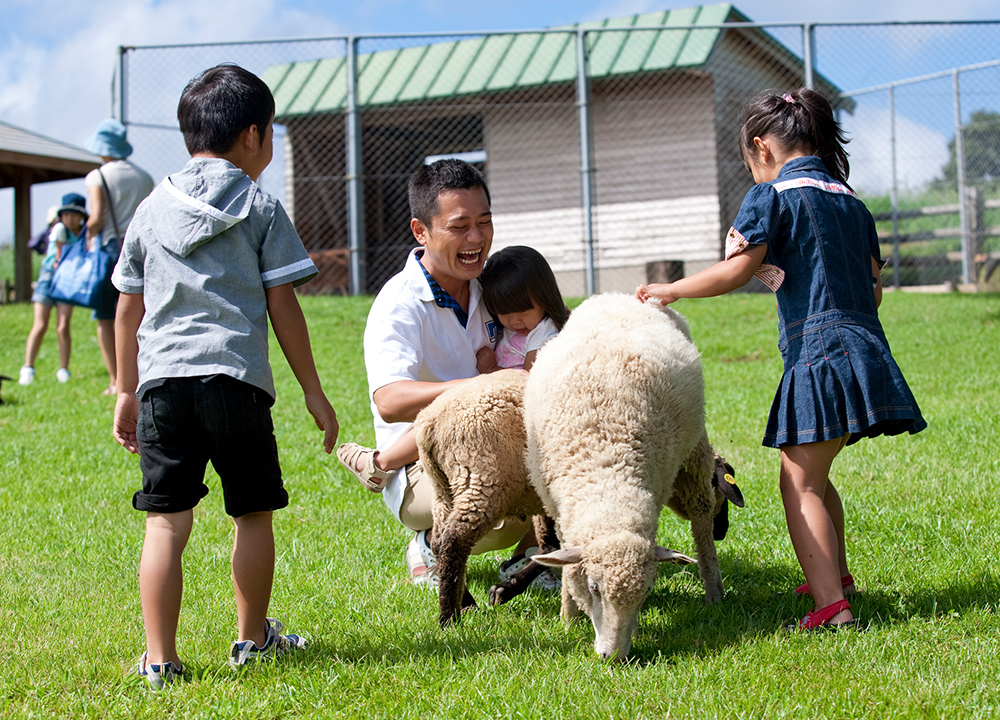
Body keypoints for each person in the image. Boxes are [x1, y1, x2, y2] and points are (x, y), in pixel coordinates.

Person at [636, 88, 926, 631]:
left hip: (819, 352)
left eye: (750, 158)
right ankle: (835, 578)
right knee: (816, 473)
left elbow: (736, 270)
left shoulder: (769, 198)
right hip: (864, 347)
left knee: (798, 483)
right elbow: (875, 290)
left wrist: (672, 289)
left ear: (760, 147)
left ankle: (832, 610)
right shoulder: (853, 203)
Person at [111, 64, 339, 689]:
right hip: (236, 383)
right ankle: (252, 640)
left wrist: (126, 388)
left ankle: (159, 659)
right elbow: (283, 305)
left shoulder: (151, 210)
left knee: (165, 522)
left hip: (162, 386)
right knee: (253, 515)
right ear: (254, 135)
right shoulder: (261, 206)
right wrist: (313, 392)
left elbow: (127, 307)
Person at [341, 159, 543, 587]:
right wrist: (480, 389)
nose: (476, 238)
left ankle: (533, 558)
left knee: (561, 468)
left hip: (497, 439)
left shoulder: (493, 288)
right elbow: (389, 401)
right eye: (459, 226)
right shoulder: (398, 304)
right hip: (421, 465)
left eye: (484, 222)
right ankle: (431, 541)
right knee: (495, 502)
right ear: (421, 231)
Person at [84, 118, 155, 395]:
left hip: (110, 250)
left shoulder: (98, 176)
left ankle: (116, 381)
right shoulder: (144, 176)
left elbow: (97, 218)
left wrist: (87, 237)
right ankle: (140, 377)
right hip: (141, 249)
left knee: (105, 316)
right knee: (139, 315)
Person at [19, 195, 87, 385]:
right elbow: (59, 257)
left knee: (63, 326)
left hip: (67, 281)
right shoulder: (59, 229)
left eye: (74, 215)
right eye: (66, 214)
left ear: (81, 217)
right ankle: (28, 368)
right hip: (49, 277)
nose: (70, 219)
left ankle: (64, 369)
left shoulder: (84, 233)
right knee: (40, 325)